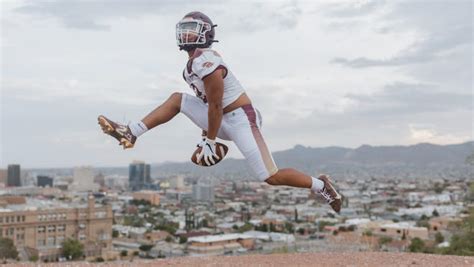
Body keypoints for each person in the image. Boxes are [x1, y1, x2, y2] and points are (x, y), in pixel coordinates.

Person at [98, 11, 342, 212]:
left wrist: (210, 140)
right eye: (184, 29)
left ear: (206, 33)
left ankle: (321, 186)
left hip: (241, 118)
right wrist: (207, 138)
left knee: (270, 176)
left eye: (192, 28)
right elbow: (208, 105)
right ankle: (131, 132)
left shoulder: (208, 60)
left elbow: (216, 105)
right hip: (221, 118)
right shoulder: (190, 68)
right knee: (177, 100)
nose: (186, 33)